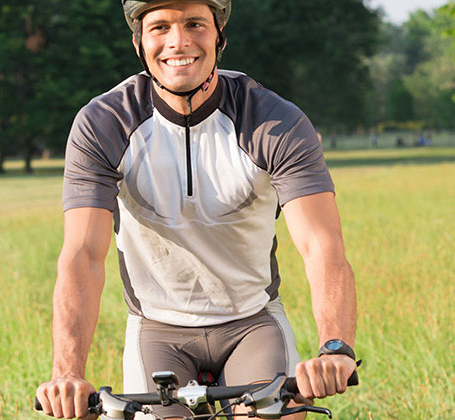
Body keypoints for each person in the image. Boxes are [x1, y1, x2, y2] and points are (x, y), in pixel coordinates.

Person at [34, 1, 358, 419]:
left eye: (194, 24)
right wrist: (67, 373)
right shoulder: (105, 123)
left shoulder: (274, 121)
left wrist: (335, 347)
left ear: (219, 36)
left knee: (278, 414)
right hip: (156, 328)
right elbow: (83, 254)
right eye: (160, 27)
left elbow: (322, 245)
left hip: (251, 321)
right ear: (138, 42)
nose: (178, 41)